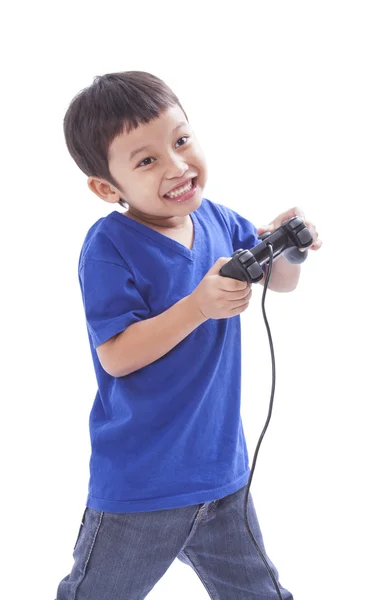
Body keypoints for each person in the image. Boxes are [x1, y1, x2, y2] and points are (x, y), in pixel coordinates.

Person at [55, 71, 321, 600]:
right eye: (147, 160)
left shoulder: (219, 221)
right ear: (108, 187)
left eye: (180, 140)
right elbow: (116, 355)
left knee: (262, 593)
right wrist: (197, 307)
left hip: (223, 478)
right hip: (143, 486)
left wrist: (288, 247)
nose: (177, 165)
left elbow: (281, 283)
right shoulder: (110, 246)